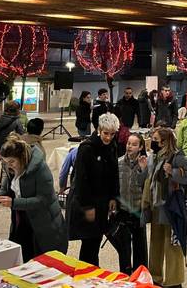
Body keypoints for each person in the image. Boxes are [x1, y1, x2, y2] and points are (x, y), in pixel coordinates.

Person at [0, 134, 66, 261]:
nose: (8, 165)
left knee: (41, 260)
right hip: (21, 219)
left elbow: (43, 200)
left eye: (12, 162)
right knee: (21, 257)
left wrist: (14, 203)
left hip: (43, 223)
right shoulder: (8, 167)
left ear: (22, 157)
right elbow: (7, 184)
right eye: (5, 162)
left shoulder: (40, 169)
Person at [144, 127, 187, 288]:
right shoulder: (154, 156)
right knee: (156, 242)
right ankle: (155, 277)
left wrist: (173, 172)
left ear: (164, 142)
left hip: (172, 206)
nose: (152, 142)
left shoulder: (177, 157)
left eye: (155, 139)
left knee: (172, 243)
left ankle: (174, 281)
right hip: (156, 206)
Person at [67, 113, 120, 266]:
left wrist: (113, 197)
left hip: (102, 202)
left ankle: (92, 271)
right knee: (89, 243)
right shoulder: (86, 148)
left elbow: (114, 173)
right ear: (98, 130)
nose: (109, 137)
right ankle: (86, 273)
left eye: (112, 134)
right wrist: (87, 206)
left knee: (95, 242)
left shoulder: (112, 146)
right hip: (88, 202)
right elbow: (81, 180)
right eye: (106, 133)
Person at [112, 133, 149, 275]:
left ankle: (141, 273)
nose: (130, 147)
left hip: (138, 210)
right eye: (128, 143)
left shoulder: (146, 163)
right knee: (124, 247)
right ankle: (125, 273)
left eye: (134, 144)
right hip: (123, 210)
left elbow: (147, 187)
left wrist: (143, 170)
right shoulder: (119, 163)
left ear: (140, 147)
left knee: (140, 246)